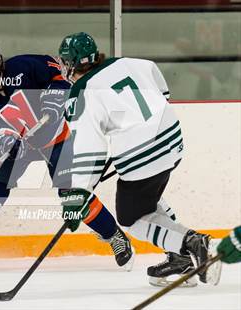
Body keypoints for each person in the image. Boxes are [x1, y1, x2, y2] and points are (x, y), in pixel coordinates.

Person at [0, 38, 134, 270]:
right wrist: (7, 143)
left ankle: (115, 237)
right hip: (20, 149)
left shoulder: (24, 66)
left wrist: (55, 97)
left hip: (55, 138)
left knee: (72, 195)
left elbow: (59, 74)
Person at [57, 32, 222, 286]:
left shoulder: (81, 92)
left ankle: (190, 244)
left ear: (70, 64)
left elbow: (89, 148)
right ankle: (179, 257)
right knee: (148, 198)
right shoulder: (128, 62)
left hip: (141, 154)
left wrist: (78, 194)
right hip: (172, 140)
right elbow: (161, 89)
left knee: (130, 219)